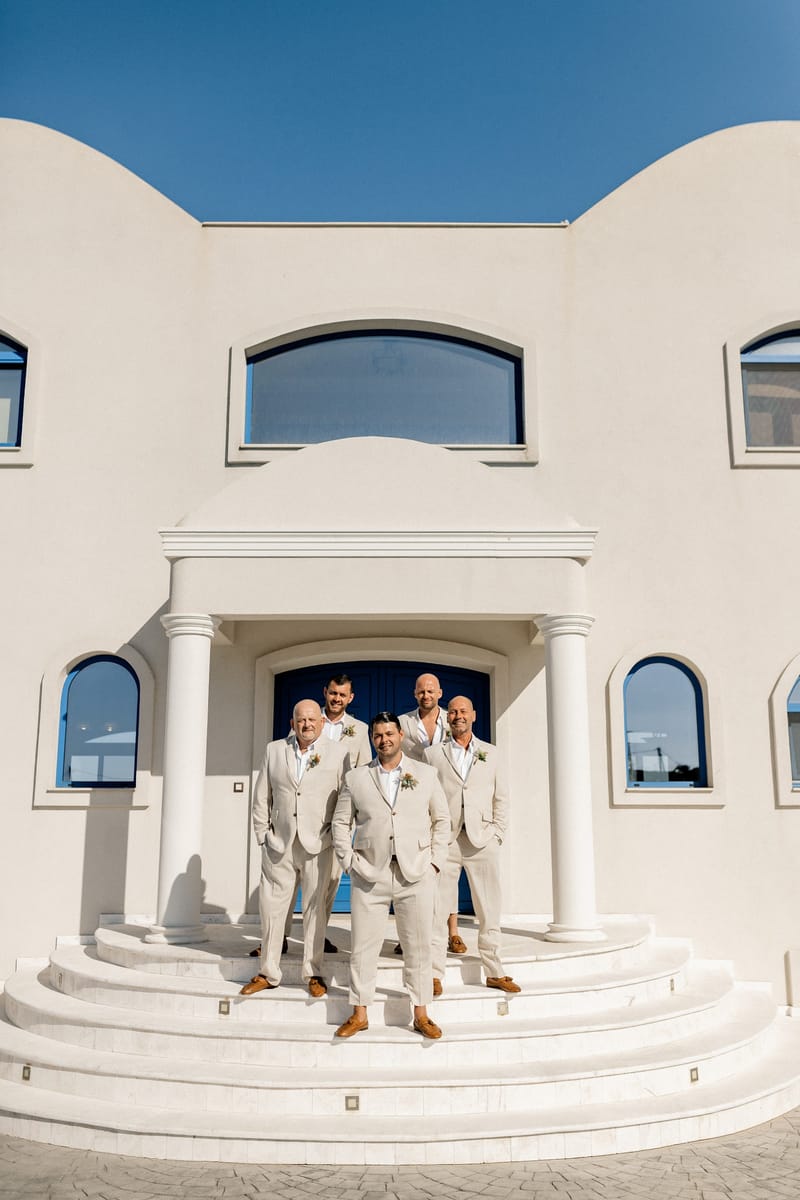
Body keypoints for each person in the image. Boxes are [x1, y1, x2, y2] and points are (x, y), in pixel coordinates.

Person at [331, 711, 450, 1039]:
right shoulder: (356, 778)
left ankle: (421, 1013)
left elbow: (442, 820)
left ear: (400, 736)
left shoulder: (425, 774)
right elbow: (340, 823)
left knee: (418, 945)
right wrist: (348, 861)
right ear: (372, 739)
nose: (384, 740)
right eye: (378, 735)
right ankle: (359, 1012)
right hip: (370, 873)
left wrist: (435, 863)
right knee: (362, 946)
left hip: (416, 872)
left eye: (389, 734)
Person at [240, 700, 348, 999]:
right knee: (271, 910)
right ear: (292, 723)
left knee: (315, 910)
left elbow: (345, 799)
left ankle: (313, 972)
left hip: (319, 844)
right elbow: (261, 797)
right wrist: (263, 836)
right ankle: (268, 972)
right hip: (279, 844)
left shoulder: (339, 753)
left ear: (322, 723)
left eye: (312, 719)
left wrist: (335, 837)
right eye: (301, 720)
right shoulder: (274, 750)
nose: (307, 724)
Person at [424, 696, 520, 996]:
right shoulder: (432, 755)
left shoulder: (491, 753)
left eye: (463, 711)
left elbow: (501, 797)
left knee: (489, 908)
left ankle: (494, 971)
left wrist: (497, 834)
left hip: (482, 841)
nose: (458, 716)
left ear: (474, 715)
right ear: (447, 718)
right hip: (447, 840)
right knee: (437, 909)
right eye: (452, 712)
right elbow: (427, 797)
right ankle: (433, 973)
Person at [396, 671, 464, 956]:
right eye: (421, 691)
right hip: (413, 799)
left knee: (446, 868)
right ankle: (408, 935)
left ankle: (453, 931)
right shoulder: (403, 723)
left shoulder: (452, 719)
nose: (426, 695)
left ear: (440, 693)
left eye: (431, 690)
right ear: (415, 694)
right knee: (413, 866)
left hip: (447, 800)